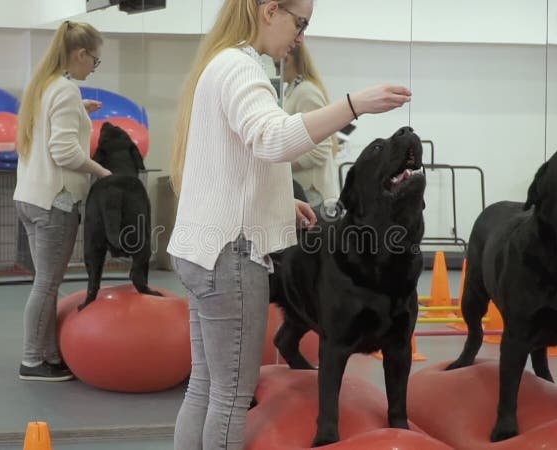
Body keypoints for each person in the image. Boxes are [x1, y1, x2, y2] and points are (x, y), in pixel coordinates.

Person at [167, 0, 412, 448]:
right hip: (230, 256)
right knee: (230, 395)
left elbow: (238, 162)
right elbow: (273, 139)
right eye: (299, 23)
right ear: (268, 11)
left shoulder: (220, 64)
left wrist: (281, 205)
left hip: (199, 249)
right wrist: (355, 105)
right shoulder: (242, 69)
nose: (300, 37)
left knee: (205, 386)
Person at [13, 20, 111, 382]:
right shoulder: (65, 91)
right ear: (80, 54)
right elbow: (64, 152)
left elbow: (48, 129)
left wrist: (80, 109)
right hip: (57, 201)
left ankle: (49, 354)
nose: (92, 68)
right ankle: (32, 361)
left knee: (45, 281)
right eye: (94, 61)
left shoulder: (44, 86)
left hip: (29, 196)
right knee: (47, 284)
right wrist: (102, 173)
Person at [280, 43, 340, 207]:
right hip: (306, 192)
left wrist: (284, 166)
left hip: (314, 194)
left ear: (287, 58)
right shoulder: (294, 90)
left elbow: (321, 148)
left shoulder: (306, 92)